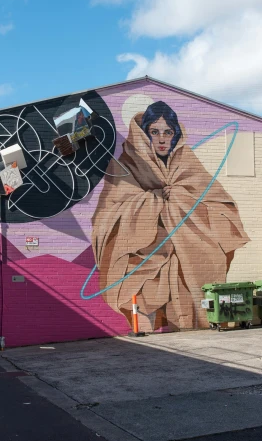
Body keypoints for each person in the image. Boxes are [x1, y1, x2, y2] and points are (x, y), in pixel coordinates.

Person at [91, 101, 249, 331]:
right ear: (145, 133)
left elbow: (219, 204)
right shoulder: (125, 165)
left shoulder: (187, 162)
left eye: (168, 132)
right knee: (137, 306)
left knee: (184, 303)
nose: (162, 139)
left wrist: (180, 198)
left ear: (175, 135)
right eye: (155, 132)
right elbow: (109, 213)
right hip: (143, 255)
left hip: (184, 254)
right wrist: (155, 198)